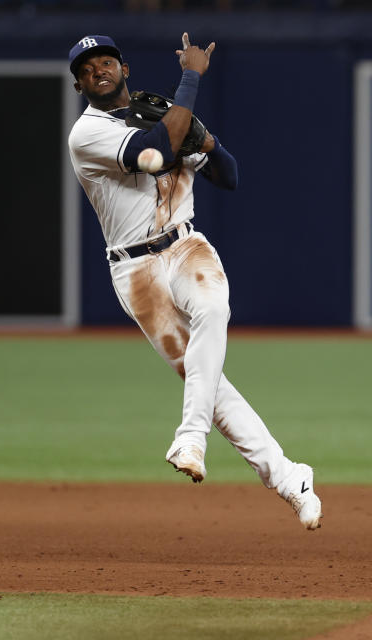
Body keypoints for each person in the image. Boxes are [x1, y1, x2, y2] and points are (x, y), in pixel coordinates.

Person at [66, 34, 322, 530]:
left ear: (125, 68)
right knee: (208, 382)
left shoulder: (164, 112)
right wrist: (191, 78)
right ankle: (291, 478)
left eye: (107, 60)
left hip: (185, 246)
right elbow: (156, 152)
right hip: (135, 271)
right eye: (87, 67)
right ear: (78, 84)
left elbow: (229, 176)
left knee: (213, 310)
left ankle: (191, 436)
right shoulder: (87, 133)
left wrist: (206, 141)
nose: (99, 69)